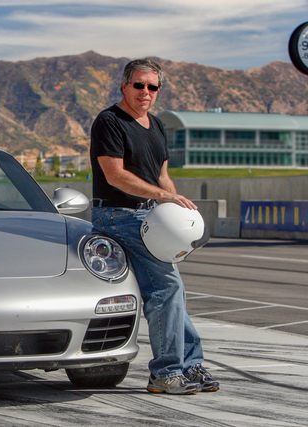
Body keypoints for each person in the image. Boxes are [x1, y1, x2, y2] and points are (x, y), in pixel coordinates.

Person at [89, 58, 219, 395]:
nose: (146, 92)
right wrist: (163, 196)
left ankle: (190, 366)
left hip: (153, 218)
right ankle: (165, 373)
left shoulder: (157, 125)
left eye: (153, 87)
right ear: (124, 85)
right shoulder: (110, 121)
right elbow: (114, 175)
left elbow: (162, 177)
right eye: (139, 85)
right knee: (166, 289)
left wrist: (179, 213)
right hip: (118, 215)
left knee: (172, 290)